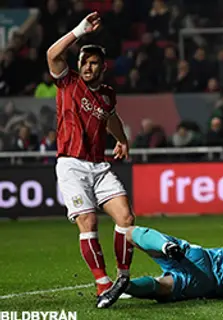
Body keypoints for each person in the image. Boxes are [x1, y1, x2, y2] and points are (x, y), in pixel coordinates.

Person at [46, 12, 135, 308]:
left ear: (103, 67)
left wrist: (121, 140)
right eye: (85, 61)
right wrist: (79, 31)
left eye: (94, 62)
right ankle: (102, 284)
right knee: (88, 220)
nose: (87, 66)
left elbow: (111, 118)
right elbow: (52, 54)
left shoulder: (108, 95)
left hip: (99, 166)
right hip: (71, 163)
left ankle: (122, 279)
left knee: (126, 217)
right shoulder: (68, 82)